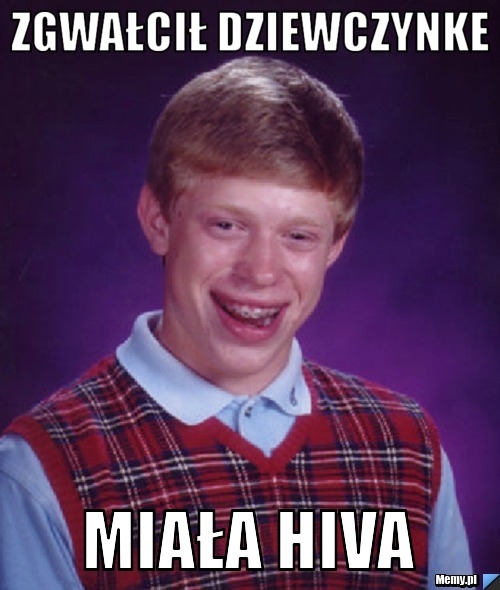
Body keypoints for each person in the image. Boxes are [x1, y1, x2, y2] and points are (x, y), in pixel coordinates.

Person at [0, 57, 471, 589]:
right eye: (227, 225)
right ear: (158, 221)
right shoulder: (41, 471)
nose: (261, 271)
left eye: (298, 236)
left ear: (336, 245)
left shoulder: (407, 446)